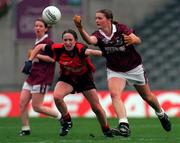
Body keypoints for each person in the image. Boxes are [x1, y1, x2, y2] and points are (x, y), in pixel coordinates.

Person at [73, 9, 172, 137]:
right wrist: (80, 28)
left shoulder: (121, 28)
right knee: (114, 95)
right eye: (96, 18)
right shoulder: (98, 34)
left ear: (109, 19)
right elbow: (90, 41)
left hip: (134, 67)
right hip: (115, 70)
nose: (97, 20)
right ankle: (124, 125)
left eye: (100, 18)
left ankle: (161, 113)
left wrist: (133, 40)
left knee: (147, 97)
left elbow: (137, 39)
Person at [22, 29, 113, 137]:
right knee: (57, 96)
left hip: (84, 79)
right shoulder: (57, 48)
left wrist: (107, 53)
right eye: (65, 40)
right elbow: (39, 47)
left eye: (70, 40)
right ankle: (67, 121)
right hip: (67, 78)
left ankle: (106, 129)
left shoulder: (80, 49)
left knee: (96, 108)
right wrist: (29, 60)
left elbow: (92, 52)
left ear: (75, 41)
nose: (68, 42)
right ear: (62, 41)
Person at [19, 18, 61, 136]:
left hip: (42, 77)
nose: (37, 28)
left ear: (46, 28)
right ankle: (25, 129)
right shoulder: (37, 40)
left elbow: (53, 59)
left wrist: (36, 54)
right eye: (36, 25)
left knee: (37, 107)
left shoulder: (49, 42)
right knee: (22, 103)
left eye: (40, 26)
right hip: (32, 76)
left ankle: (62, 118)